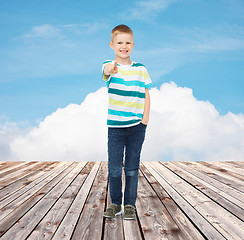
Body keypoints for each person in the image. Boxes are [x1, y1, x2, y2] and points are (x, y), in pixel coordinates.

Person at [102, 24, 152, 220]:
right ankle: (115, 204)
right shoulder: (110, 66)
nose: (124, 46)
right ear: (112, 45)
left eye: (128, 42)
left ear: (133, 44)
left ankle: (129, 205)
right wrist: (110, 68)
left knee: (131, 168)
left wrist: (145, 119)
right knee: (114, 168)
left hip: (137, 126)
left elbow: (146, 92)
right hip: (115, 127)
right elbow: (106, 70)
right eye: (120, 43)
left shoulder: (141, 69)